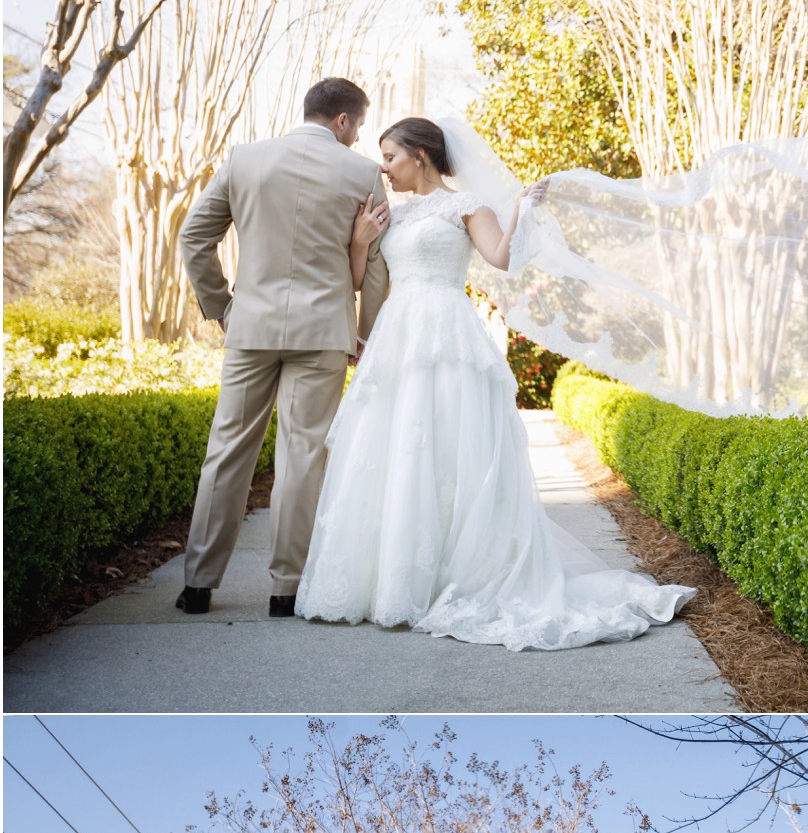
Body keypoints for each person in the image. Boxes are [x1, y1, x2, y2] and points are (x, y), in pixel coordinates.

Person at [294, 114, 695, 650]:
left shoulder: (467, 207)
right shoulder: (388, 214)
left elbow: (502, 259)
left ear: (420, 156)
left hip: (448, 335)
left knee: (449, 450)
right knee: (392, 452)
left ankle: (454, 573)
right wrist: (362, 243)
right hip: (398, 336)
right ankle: (389, 581)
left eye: (390, 157)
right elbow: (361, 282)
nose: (383, 167)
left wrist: (525, 211)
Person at [176, 77, 390, 617]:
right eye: (358, 126)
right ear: (343, 120)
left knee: (226, 452)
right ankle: (285, 590)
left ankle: (198, 585)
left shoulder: (245, 158)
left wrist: (222, 304)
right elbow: (379, 266)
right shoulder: (362, 173)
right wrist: (365, 332)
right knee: (302, 455)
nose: (357, 136)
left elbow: (193, 236)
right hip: (323, 334)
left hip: (250, 326)